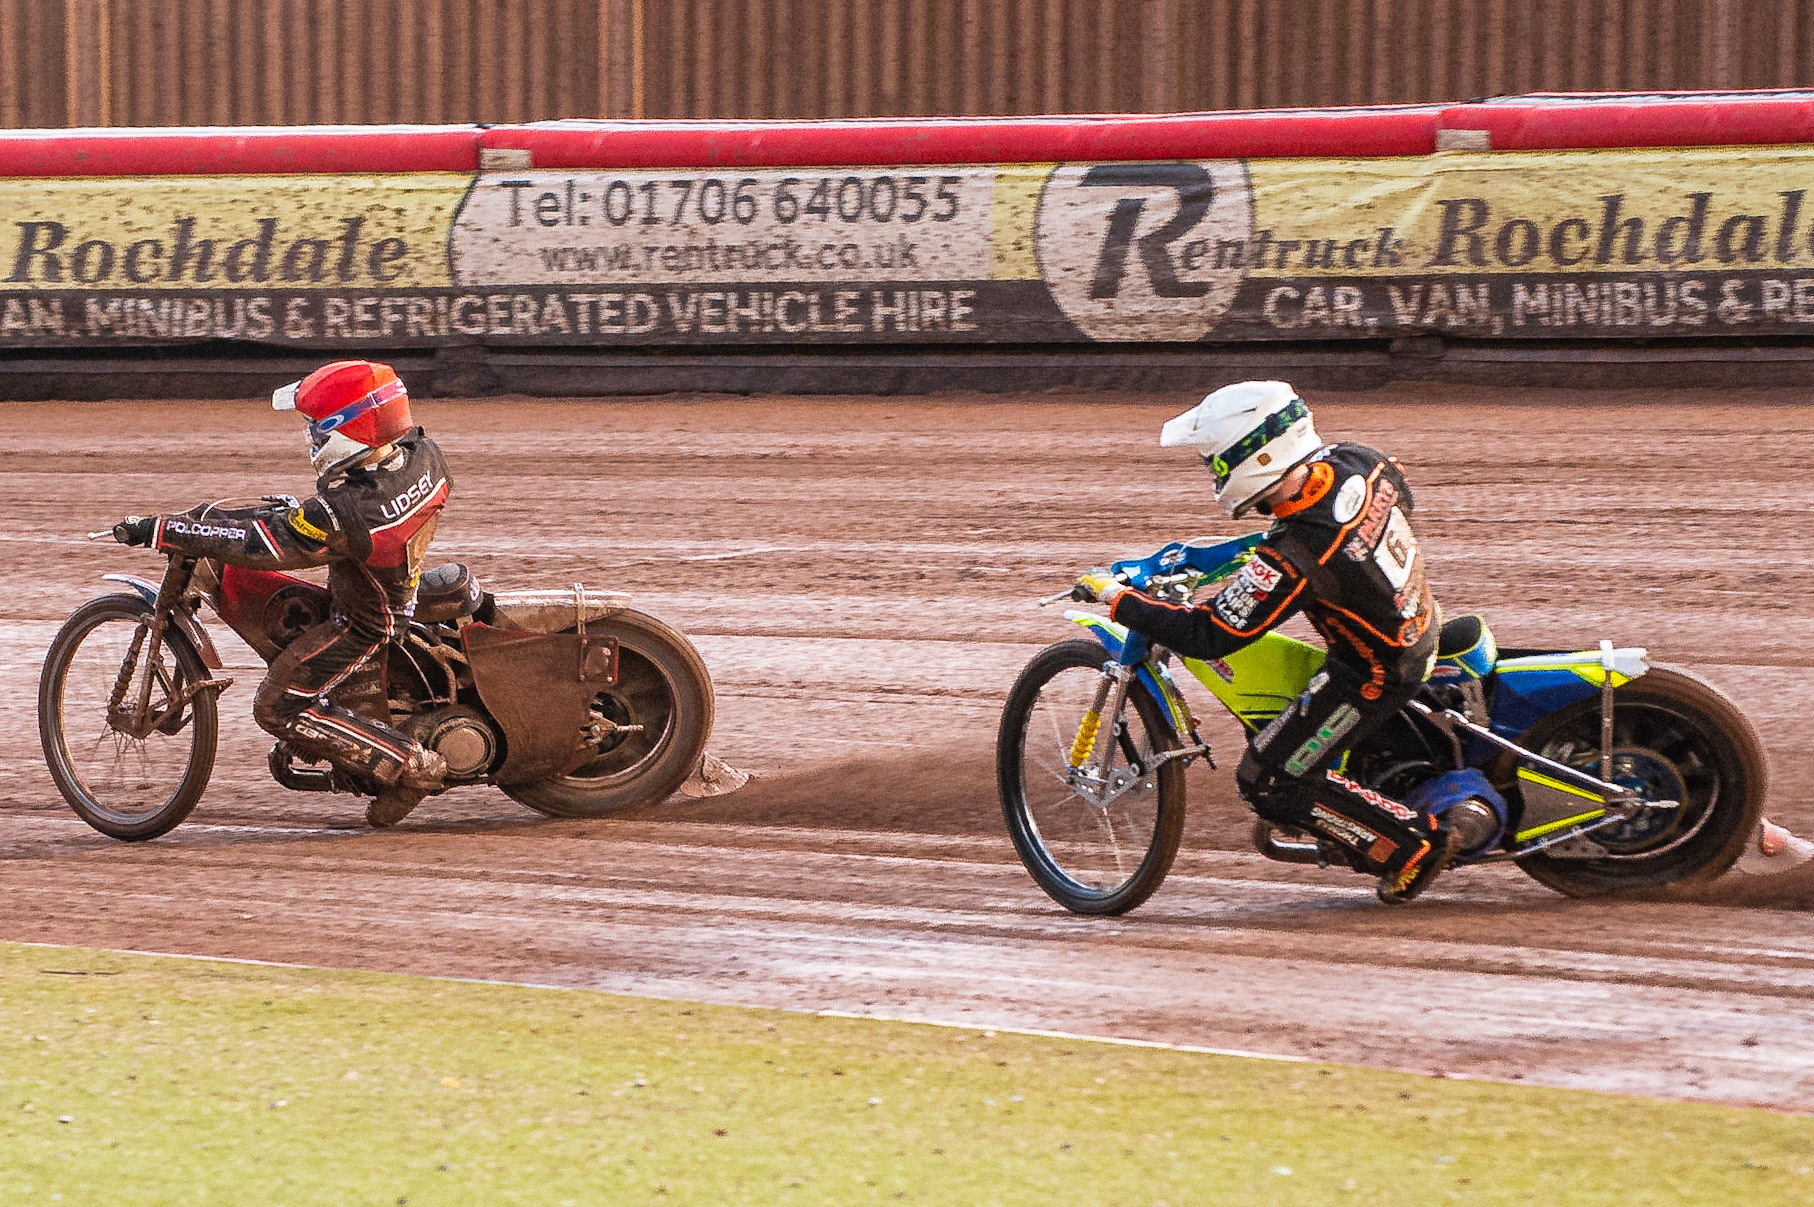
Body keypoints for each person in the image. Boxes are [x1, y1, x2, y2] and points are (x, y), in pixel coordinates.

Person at [1074, 380, 1449, 904]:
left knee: (1268, 780)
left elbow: (1208, 635)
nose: (1216, 474)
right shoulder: (1359, 461)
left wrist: (1116, 599)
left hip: (1374, 672)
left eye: (1218, 463)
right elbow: (1362, 516)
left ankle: (1411, 847)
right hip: (1417, 619)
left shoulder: (1295, 557)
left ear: (1252, 454)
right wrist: (1208, 557)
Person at [112, 359, 452, 828]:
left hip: (366, 622)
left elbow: (263, 545)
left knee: (276, 706)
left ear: (346, 430)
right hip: (385, 580)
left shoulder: (347, 511)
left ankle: (408, 765)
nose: (310, 437)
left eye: (316, 427)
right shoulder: (421, 452)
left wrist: (164, 530)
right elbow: (298, 526)